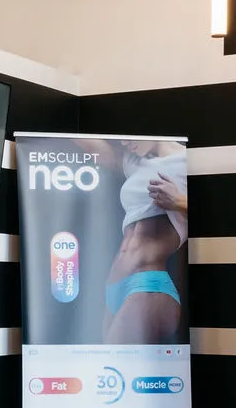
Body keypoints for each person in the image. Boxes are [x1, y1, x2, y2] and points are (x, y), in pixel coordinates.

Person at [73, 139, 189, 344]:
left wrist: (178, 201)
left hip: (149, 286)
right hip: (115, 286)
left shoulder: (188, 161)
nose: (124, 142)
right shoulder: (136, 161)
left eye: (129, 137)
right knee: (108, 361)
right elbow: (94, 147)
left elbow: (222, 211)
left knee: (113, 361)